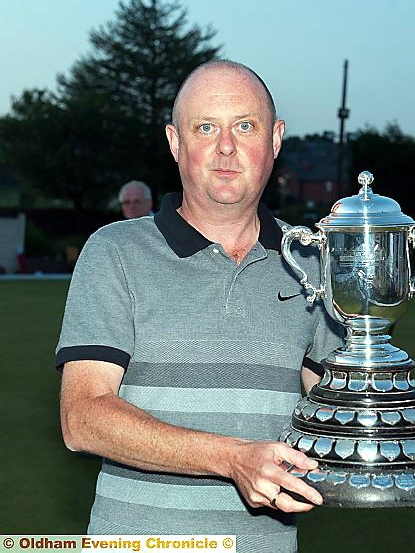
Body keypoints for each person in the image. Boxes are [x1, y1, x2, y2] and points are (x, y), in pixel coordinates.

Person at [56, 60, 343, 552]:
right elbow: (82, 418)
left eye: (245, 126)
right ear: (175, 142)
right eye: (205, 126)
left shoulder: (315, 263)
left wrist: (362, 283)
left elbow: (335, 414)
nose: (226, 147)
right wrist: (233, 458)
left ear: (275, 140)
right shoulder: (115, 251)